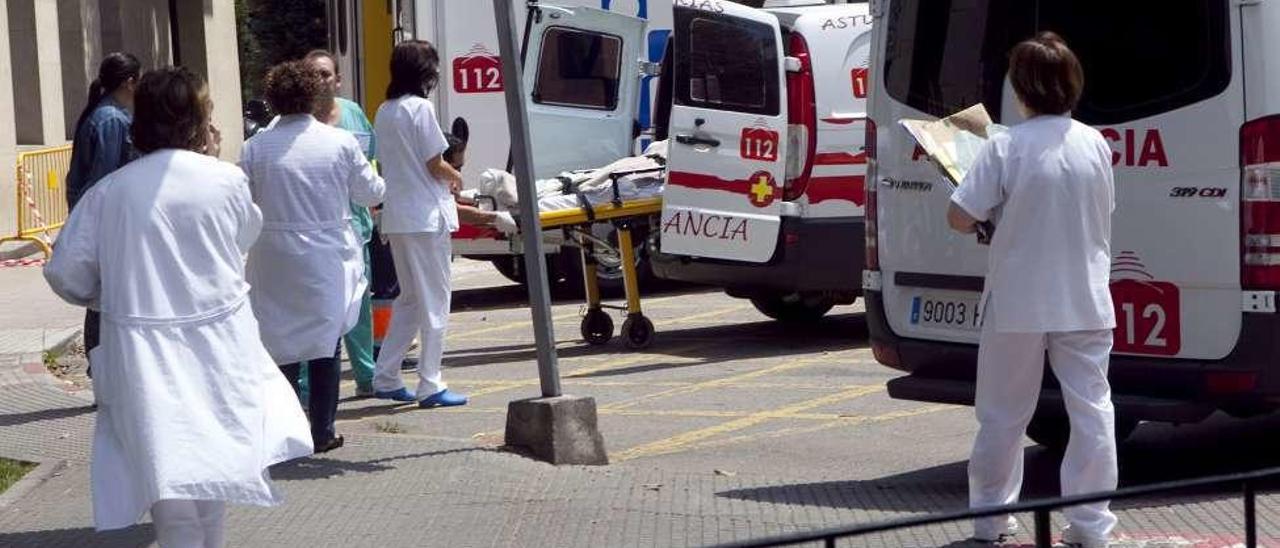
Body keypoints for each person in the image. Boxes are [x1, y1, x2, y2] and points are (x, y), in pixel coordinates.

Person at [44, 66, 313, 547]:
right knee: (211, 471)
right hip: (218, 346)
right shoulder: (225, 181)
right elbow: (243, 236)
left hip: (143, 350)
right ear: (197, 120)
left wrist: (110, 293)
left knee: (166, 479)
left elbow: (66, 273)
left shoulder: (110, 193)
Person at [946, 32, 1118, 547]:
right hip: (1085, 296)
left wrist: (990, 218)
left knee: (1002, 413)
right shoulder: (1094, 144)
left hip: (1018, 298)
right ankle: (1091, 526)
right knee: (1092, 411)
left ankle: (991, 520)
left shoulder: (1005, 145)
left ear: (1020, 89)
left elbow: (958, 216)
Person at [242, 61, 385, 452]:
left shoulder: (255, 147)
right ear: (313, 96)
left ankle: (285, 432)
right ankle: (322, 430)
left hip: (273, 253)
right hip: (326, 253)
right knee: (326, 343)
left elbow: (244, 199)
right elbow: (370, 193)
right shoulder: (339, 142)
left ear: (273, 100)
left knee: (280, 342)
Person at [371, 40, 469, 407]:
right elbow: (434, 163)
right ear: (425, 72)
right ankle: (431, 383)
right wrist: (455, 176)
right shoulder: (421, 109)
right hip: (426, 217)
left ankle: (386, 376)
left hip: (398, 216)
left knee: (410, 300)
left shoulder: (385, 110)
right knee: (435, 303)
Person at [302, 49, 380, 398]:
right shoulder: (296, 121)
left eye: (324, 74)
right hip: (312, 232)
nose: (319, 81)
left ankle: (367, 376)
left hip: (355, 228)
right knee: (313, 312)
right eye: (312, 74)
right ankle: (304, 386)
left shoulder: (352, 114)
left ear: (337, 79)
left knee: (358, 308)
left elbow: (370, 159)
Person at [64, 51, 141, 377]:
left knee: (102, 301)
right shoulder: (112, 120)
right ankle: (105, 371)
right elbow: (106, 181)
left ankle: (103, 369)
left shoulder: (103, 114)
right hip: (106, 226)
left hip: (98, 223)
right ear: (129, 82)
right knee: (106, 303)